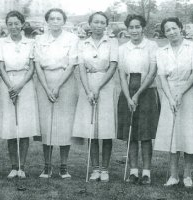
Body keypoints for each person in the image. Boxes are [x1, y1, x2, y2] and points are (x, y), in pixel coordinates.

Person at [0, 11, 39, 179]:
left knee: (24, 128)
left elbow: (32, 68)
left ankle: (22, 167)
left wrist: (19, 86)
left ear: (22, 24)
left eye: (16, 23)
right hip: (7, 84)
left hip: (25, 84)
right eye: (10, 24)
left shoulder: (31, 42)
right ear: (6, 25)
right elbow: (1, 67)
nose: (13, 27)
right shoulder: (1, 43)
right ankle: (13, 166)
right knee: (11, 127)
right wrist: (11, 87)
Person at [154, 17, 193, 188]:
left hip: (187, 92)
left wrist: (181, 93)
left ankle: (187, 175)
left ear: (181, 28)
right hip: (169, 94)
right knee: (172, 135)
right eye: (168, 30)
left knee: (188, 133)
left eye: (174, 28)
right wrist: (170, 98)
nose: (172, 32)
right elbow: (162, 77)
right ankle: (173, 175)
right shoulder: (162, 51)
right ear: (164, 33)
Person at [72, 11, 118, 182]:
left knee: (105, 130)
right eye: (95, 22)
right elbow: (81, 68)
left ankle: (105, 169)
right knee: (91, 130)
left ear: (106, 25)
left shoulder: (112, 42)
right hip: (88, 87)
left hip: (105, 86)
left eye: (102, 22)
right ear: (90, 24)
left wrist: (98, 87)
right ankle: (95, 169)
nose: (98, 25)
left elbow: (113, 66)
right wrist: (88, 90)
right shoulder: (82, 43)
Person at [34, 8, 79, 179]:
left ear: (64, 21)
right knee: (47, 126)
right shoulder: (39, 39)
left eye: (58, 18)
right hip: (44, 81)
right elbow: (37, 64)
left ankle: (64, 167)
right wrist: (46, 87)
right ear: (47, 21)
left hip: (65, 82)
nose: (55, 21)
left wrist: (58, 86)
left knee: (64, 126)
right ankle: (47, 166)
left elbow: (72, 63)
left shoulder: (72, 38)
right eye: (51, 18)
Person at [117, 14, 159, 185]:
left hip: (146, 90)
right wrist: (128, 96)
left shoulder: (152, 45)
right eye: (131, 27)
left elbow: (152, 72)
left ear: (143, 28)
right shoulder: (123, 48)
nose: (134, 30)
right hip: (128, 90)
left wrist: (137, 94)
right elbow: (121, 75)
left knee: (146, 134)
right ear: (127, 29)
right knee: (131, 134)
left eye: (137, 27)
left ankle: (147, 172)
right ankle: (133, 171)